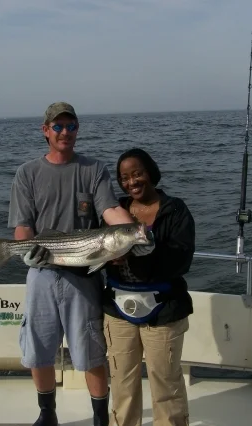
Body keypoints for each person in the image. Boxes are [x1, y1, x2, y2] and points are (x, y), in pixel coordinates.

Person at [7, 102, 150, 426]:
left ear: (77, 130)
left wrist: (136, 232)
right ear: (45, 131)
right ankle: (47, 413)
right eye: (58, 126)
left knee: (91, 351)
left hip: (84, 276)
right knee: (39, 348)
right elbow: (23, 226)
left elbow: (110, 210)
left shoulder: (93, 169)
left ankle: (100, 418)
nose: (65, 132)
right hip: (42, 274)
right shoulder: (27, 173)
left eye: (71, 126)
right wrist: (25, 250)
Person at [102, 148, 195, 426]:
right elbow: (96, 248)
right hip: (118, 309)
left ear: (150, 172)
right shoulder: (114, 211)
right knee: (122, 381)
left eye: (137, 174)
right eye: (124, 178)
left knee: (166, 381)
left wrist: (134, 255)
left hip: (164, 308)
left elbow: (181, 260)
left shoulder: (175, 209)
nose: (132, 182)